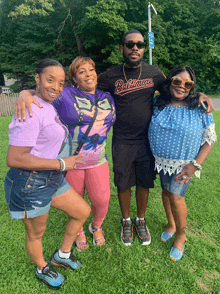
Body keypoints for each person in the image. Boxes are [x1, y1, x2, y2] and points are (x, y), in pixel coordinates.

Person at [97, 30, 214, 246]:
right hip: (122, 140)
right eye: (130, 44)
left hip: (147, 143)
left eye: (140, 45)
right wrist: (27, 93)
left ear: (143, 48)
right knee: (123, 183)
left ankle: (140, 221)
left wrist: (200, 95)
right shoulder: (109, 76)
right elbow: (80, 88)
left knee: (144, 183)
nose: (135, 48)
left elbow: (178, 88)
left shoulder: (154, 73)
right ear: (121, 47)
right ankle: (126, 221)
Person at [4, 59, 91, 289]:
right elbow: (14, 158)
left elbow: (43, 94)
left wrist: (26, 92)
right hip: (30, 181)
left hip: (50, 177)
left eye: (60, 82)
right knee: (36, 233)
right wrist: (62, 163)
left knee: (82, 211)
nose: (56, 86)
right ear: (37, 77)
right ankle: (42, 267)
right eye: (50, 79)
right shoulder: (30, 109)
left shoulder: (46, 103)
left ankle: (62, 254)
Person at [15, 56, 116, 251]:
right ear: (74, 78)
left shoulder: (107, 97)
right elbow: (40, 94)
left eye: (91, 69)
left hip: (98, 160)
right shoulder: (65, 95)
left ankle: (96, 226)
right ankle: (78, 230)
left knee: (101, 199)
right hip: (71, 161)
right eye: (81, 71)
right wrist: (23, 94)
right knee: (76, 200)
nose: (88, 74)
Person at [148, 66, 216, 261]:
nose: (181, 86)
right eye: (177, 81)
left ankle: (181, 235)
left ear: (192, 86)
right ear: (169, 81)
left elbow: (209, 139)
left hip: (185, 165)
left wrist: (195, 165)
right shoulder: (157, 103)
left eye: (188, 84)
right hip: (161, 162)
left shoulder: (199, 106)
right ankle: (171, 224)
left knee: (177, 198)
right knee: (166, 193)